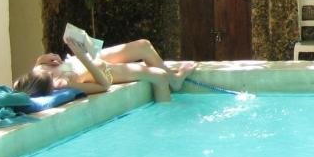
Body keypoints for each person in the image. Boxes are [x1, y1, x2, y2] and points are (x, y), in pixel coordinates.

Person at [14, 28, 196, 103]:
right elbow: (104, 85)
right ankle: (172, 86)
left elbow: (36, 70)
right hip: (103, 70)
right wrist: (81, 57)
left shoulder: (36, 72)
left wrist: (42, 59)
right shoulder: (64, 83)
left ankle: (174, 81)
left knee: (143, 45)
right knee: (159, 76)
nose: (48, 71)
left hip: (89, 57)